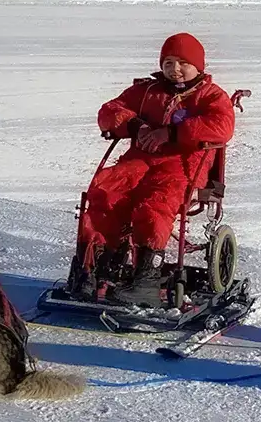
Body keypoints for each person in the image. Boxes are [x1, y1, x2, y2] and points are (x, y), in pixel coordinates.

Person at [73, 32, 236, 307]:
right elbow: (109, 111)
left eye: (183, 63)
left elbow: (222, 126)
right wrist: (136, 125)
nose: (175, 70)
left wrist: (172, 133)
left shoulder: (211, 96)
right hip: (140, 159)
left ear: (199, 65)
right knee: (105, 194)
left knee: (154, 206)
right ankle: (93, 267)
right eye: (169, 62)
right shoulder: (148, 91)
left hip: (183, 164)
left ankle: (146, 280)